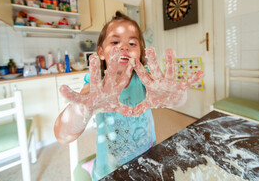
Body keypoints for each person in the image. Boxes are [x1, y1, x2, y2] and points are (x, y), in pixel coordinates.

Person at [54, 11, 204, 180]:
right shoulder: (96, 87)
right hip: (110, 170)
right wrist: (81, 110)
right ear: (101, 52)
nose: (124, 47)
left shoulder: (145, 79)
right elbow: (62, 135)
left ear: (141, 53)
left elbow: (178, 100)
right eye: (115, 41)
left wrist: (176, 97)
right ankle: (93, 166)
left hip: (148, 160)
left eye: (132, 43)